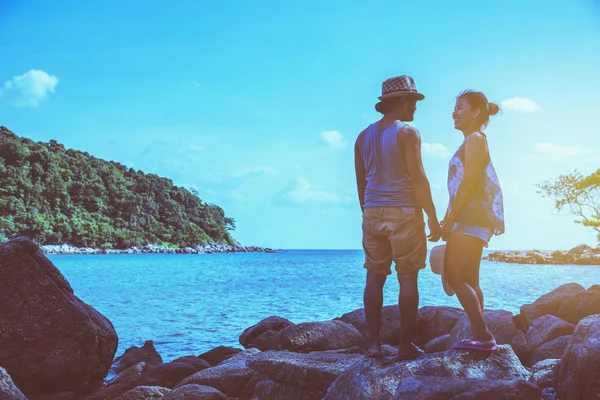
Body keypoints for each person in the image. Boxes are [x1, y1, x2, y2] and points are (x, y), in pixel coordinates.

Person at [354, 75, 441, 360]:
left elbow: (360, 183)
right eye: (413, 102)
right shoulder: (407, 133)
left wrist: (368, 212)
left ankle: (374, 346)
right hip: (404, 213)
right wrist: (432, 217)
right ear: (400, 102)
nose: (415, 108)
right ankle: (404, 347)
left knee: (374, 279)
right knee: (407, 280)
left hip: (372, 212)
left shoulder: (362, 136)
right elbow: (419, 178)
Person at [441, 90, 505, 352]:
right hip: (469, 218)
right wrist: (447, 218)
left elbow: (468, 184)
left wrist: (450, 220)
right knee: (470, 279)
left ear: (476, 112)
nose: (454, 113)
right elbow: (460, 188)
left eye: (460, 107)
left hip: (470, 218)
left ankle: (483, 335)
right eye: (454, 108)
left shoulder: (476, 139)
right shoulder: (470, 141)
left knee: (456, 278)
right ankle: (480, 335)